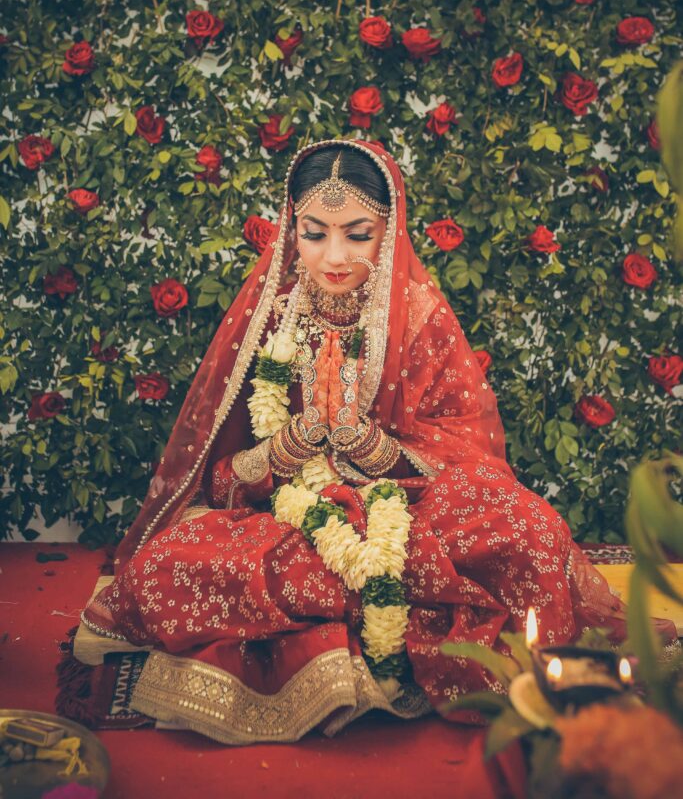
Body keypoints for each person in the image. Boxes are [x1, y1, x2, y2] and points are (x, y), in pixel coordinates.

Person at [80, 138, 675, 745]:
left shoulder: (419, 316)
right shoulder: (270, 317)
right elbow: (222, 480)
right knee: (166, 564)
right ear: (292, 230)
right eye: (314, 234)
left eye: (357, 234)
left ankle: (352, 618)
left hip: (416, 514)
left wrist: (376, 451)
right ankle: (375, 619)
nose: (334, 256)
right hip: (290, 522)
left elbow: (466, 448)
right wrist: (287, 446)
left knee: (528, 531)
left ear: (388, 231)